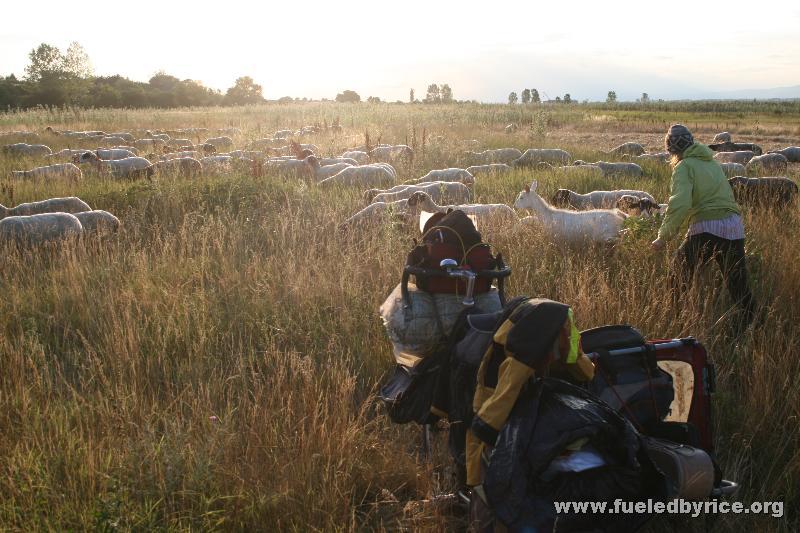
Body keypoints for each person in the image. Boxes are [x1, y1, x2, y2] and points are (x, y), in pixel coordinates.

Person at [651, 124, 755, 330]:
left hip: (708, 227)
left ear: (672, 150)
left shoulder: (684, 167)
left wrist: (663, 236)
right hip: (734, 226)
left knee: (678, 274)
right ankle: (751, 325)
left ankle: (677, 321)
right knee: (737, 282)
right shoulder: (711, 163)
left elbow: (679, 204)